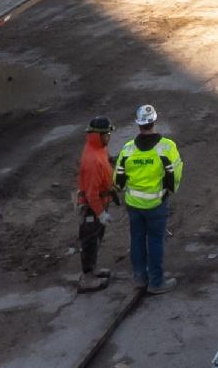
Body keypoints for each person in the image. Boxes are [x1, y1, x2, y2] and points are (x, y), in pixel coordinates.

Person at [117, 103, 184, 289]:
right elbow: (175, 174)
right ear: (154, 120)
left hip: (133, 205)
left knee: (137, 239)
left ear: (138, 124)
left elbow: (119, 180)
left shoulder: (128, 149)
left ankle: (140, 278)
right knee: (155, 241)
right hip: (156, 204)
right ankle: (156, 282)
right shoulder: (167, 147)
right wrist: (169, 190)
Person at [75, 116, 115, 281]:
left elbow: (106, 159)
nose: (109, 137)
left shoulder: (98, 148)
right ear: (98, 135)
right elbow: (91, 194)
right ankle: (88, 277)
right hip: (92, 206)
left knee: (96, 238)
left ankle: (92, 269)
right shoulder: (93, 160)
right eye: (106, 134)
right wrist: (101, 214)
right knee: (90, 241)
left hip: (100, 202)